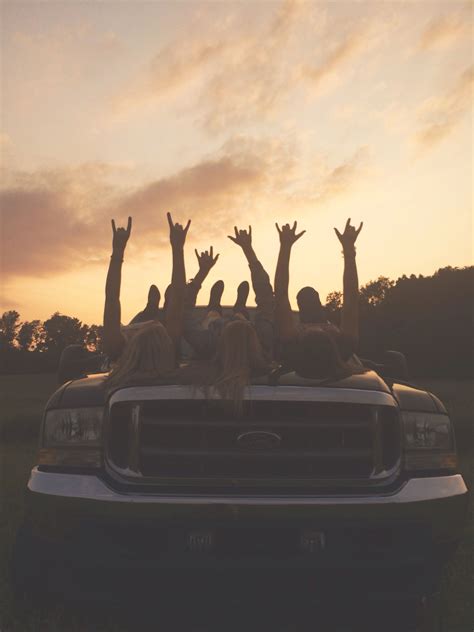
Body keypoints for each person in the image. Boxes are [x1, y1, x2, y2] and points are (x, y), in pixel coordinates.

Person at [104, 212, 190, 387]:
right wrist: (177, 248)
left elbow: (112, 300)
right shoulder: (169, 351)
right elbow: (178, 300)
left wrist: (118, 251)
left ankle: (150, 309)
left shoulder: (118, 351)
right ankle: (152, 309)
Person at [274, 219, 363, 380]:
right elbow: (351, 301)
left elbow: (280, 295)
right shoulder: (344, 346)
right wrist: (349, 251)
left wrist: (285, 247)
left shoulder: (291, 344)